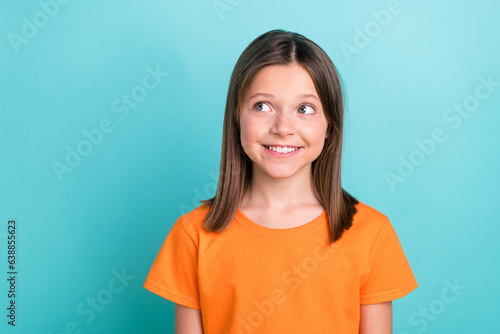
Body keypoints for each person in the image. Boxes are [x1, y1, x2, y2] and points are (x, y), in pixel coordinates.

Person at [144, 29, 418, 333]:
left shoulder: (372, 234)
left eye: (305, 109)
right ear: (237, 117)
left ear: (329, 125)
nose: (283, 127)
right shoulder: (194, 235)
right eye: (262, 106)